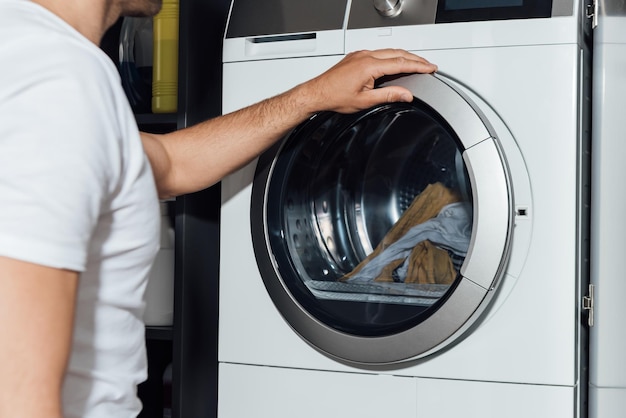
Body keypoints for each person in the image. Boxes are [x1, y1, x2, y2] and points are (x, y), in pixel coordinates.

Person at [0, 0, 438, 416]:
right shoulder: (55, 81)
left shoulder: (35, 56)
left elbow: (168, 164)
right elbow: (18, 400)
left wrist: (310, 96)